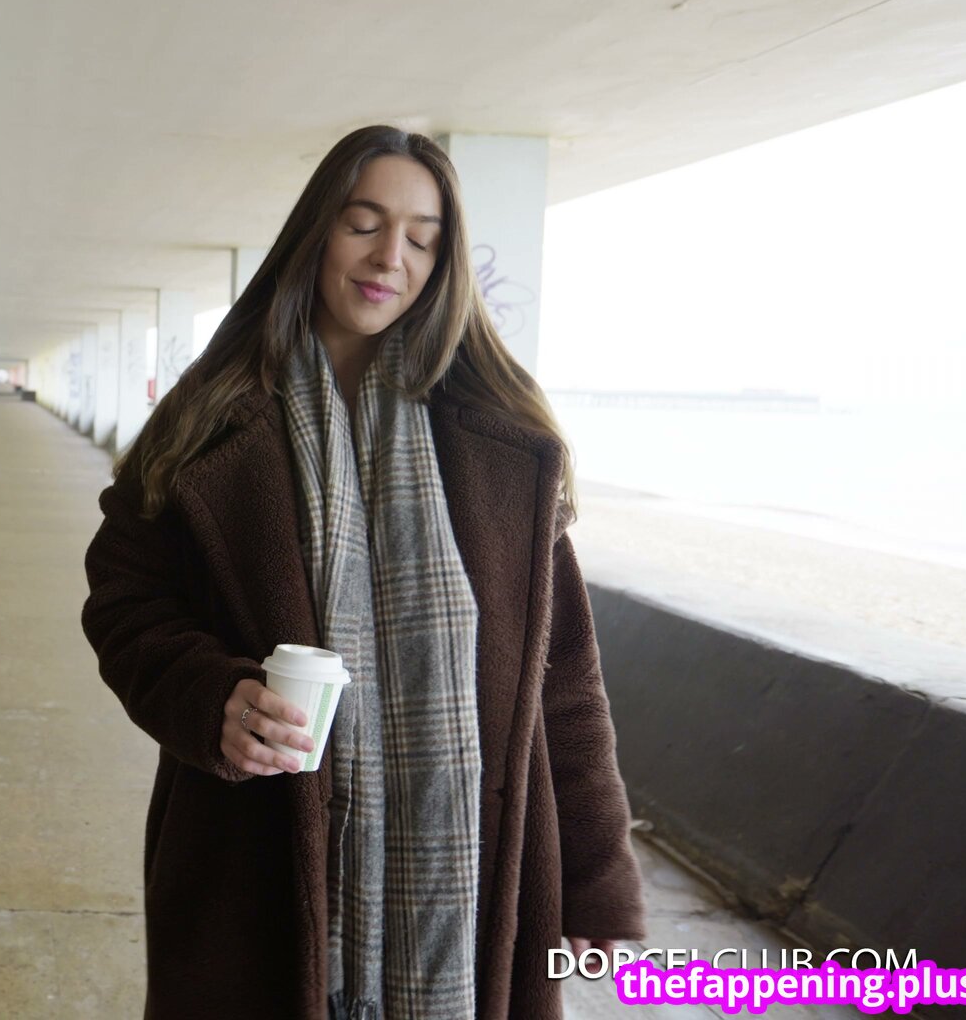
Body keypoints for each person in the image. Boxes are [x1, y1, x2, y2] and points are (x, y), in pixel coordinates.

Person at [80, 125, 644, 1020]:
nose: (391, 257)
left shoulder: (502, 442)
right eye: (365, 224)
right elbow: (125, 604)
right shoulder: (208, 422)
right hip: (252, 860)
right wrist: (211, 697)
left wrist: (596, 877)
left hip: (477, 880)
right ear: (315, 234)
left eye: (422, 238)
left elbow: (565, 681)